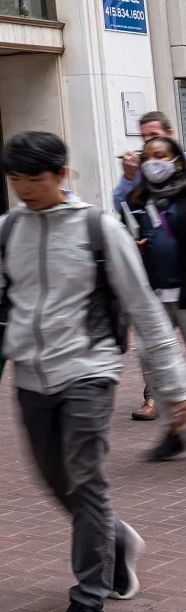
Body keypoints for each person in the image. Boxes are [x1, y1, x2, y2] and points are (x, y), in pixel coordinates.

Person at [0, 131, 186, 612]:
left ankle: (88, 599)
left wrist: (175, 389)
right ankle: (117, 540)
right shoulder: (5, 230)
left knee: (85, 478)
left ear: (61, 174)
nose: (24, 189)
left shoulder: (98, 229)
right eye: (15, 179)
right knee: (55, 478)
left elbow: (146, 311)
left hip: (90, 369)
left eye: (34, 179)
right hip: (30, 374)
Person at [117, 134, 186, 457]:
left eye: (161, 155)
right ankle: (174, 429)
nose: (154, 163)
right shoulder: (140, 198)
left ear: (177, 161)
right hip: (155, 291)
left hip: (183, 289)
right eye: (148, 157)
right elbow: (121, 223)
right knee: (150, 356)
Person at [113, 112, 173, 211]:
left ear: (169, 134)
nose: (147, 140)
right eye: (144, 135)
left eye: (154, 134)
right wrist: (128, 176)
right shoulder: (140, 168)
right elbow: (120, 207)